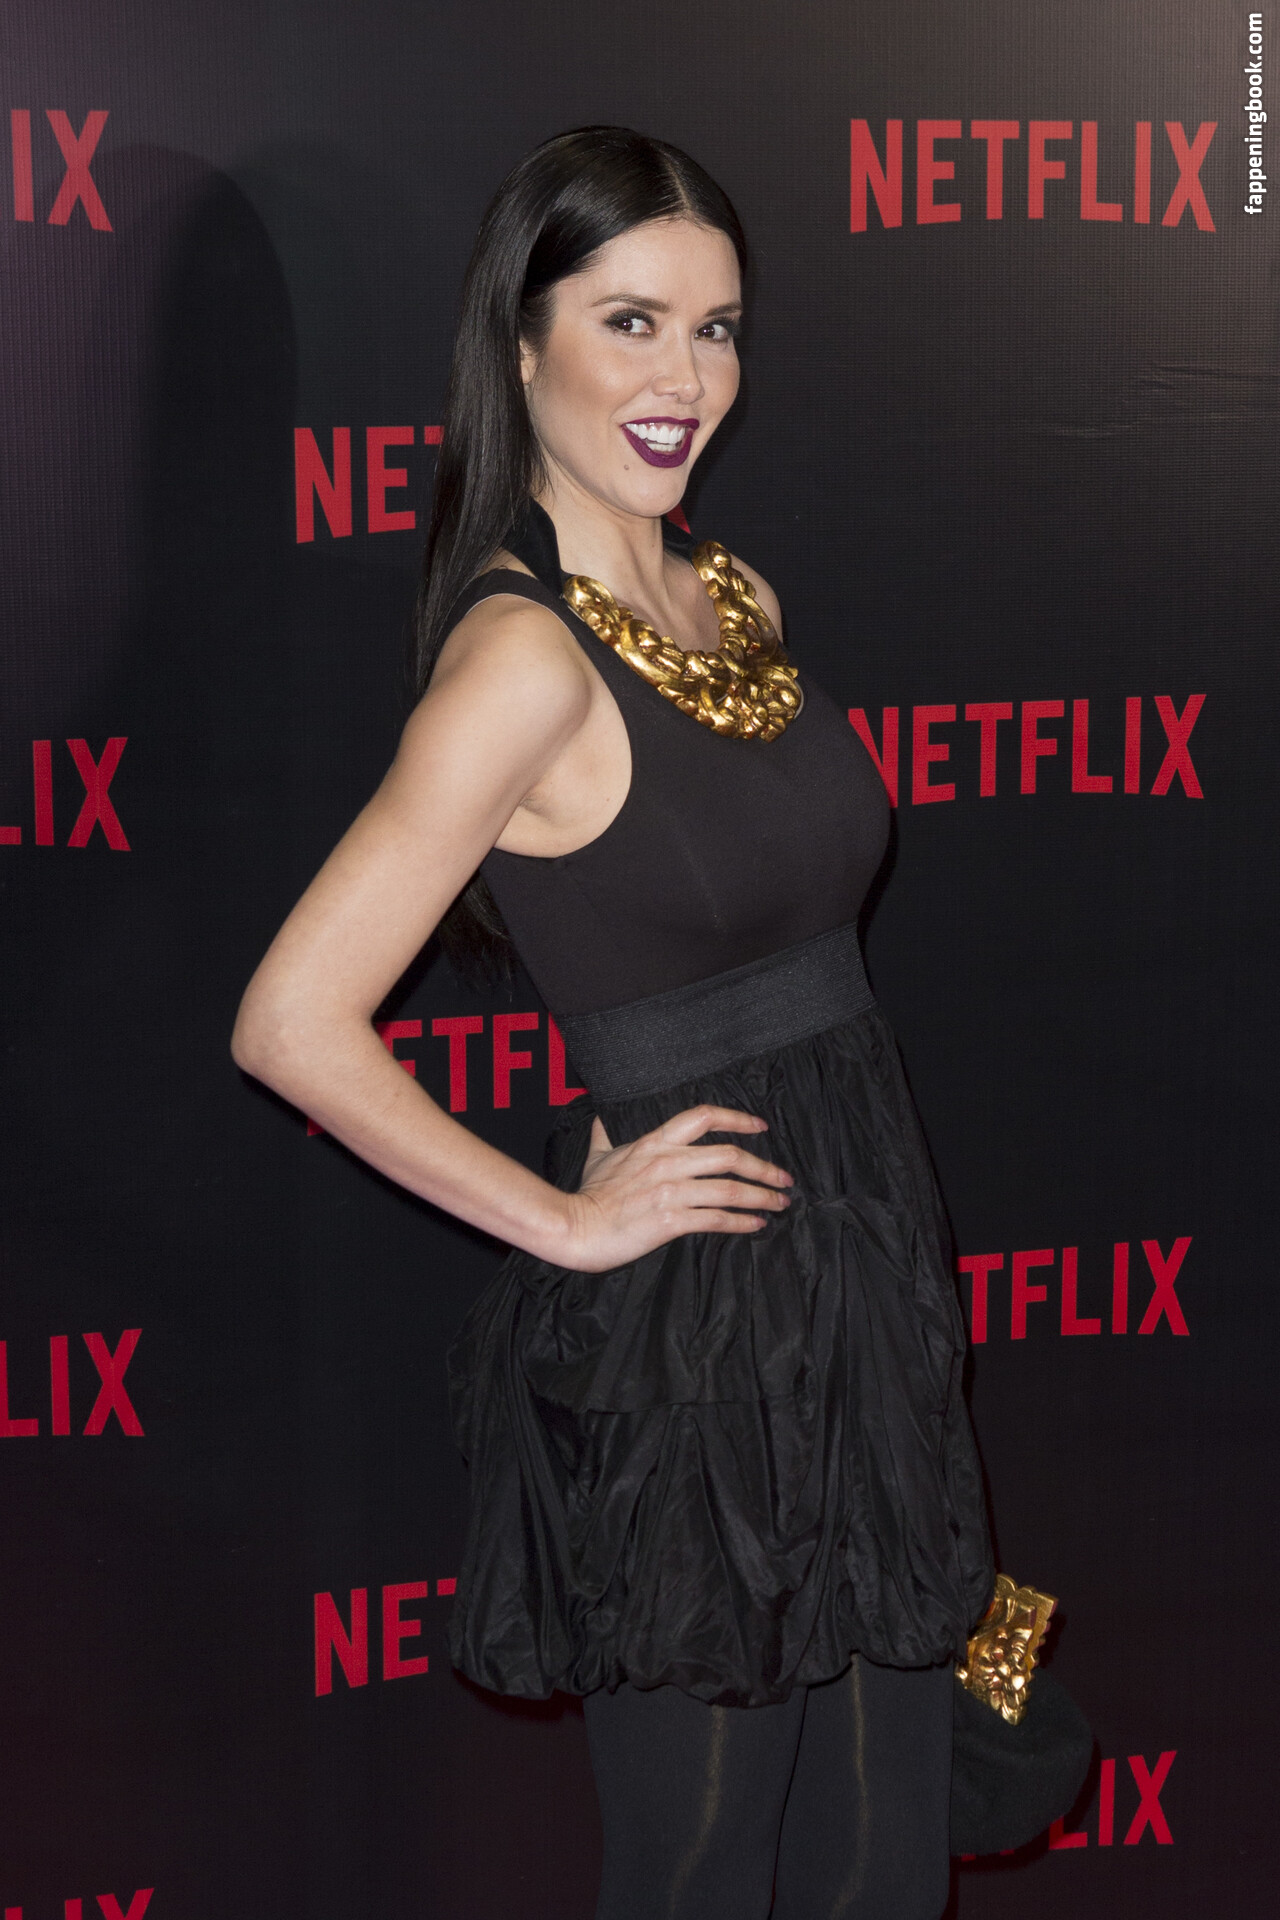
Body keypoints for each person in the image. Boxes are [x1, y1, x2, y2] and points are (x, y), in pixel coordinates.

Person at [233, 125, 993, 1920]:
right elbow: (291, 1018)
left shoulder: (737, 597)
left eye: (715, 329)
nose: (684, 378)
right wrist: (567, 1220)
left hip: (862, 1267)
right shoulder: (520, 663)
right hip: (699, 1335)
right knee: (704, 1865)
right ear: (521, 346)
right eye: (629, 322)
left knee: (883, 1852)